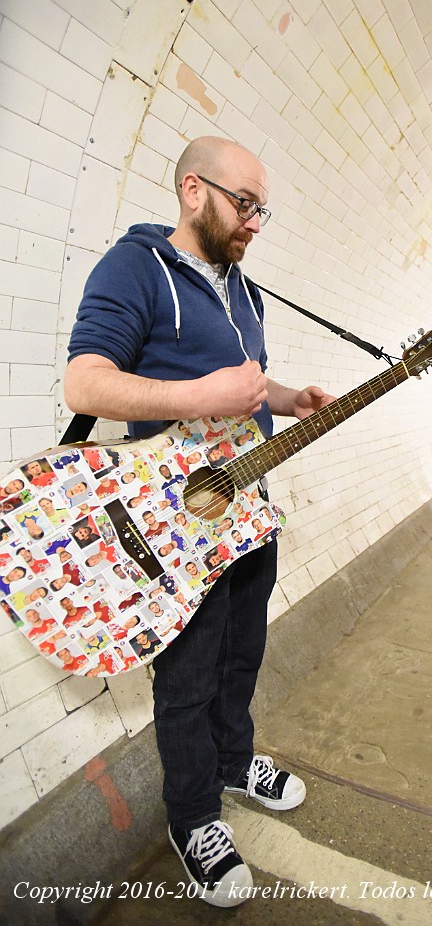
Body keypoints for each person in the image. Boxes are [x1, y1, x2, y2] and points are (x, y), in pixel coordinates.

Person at [64, 136, 335, 908]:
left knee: (242, 654)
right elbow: (86, 382)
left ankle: (232, 760)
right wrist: (193, 399)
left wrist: (282, 400)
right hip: (178, 530)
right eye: (244, 204)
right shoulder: (135, 269)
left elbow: (239, 382)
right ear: (193, 191)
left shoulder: (243, 290)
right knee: (185, 680)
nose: (254, 221)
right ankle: (193, 819)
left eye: (262, 210)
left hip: (247, 512)